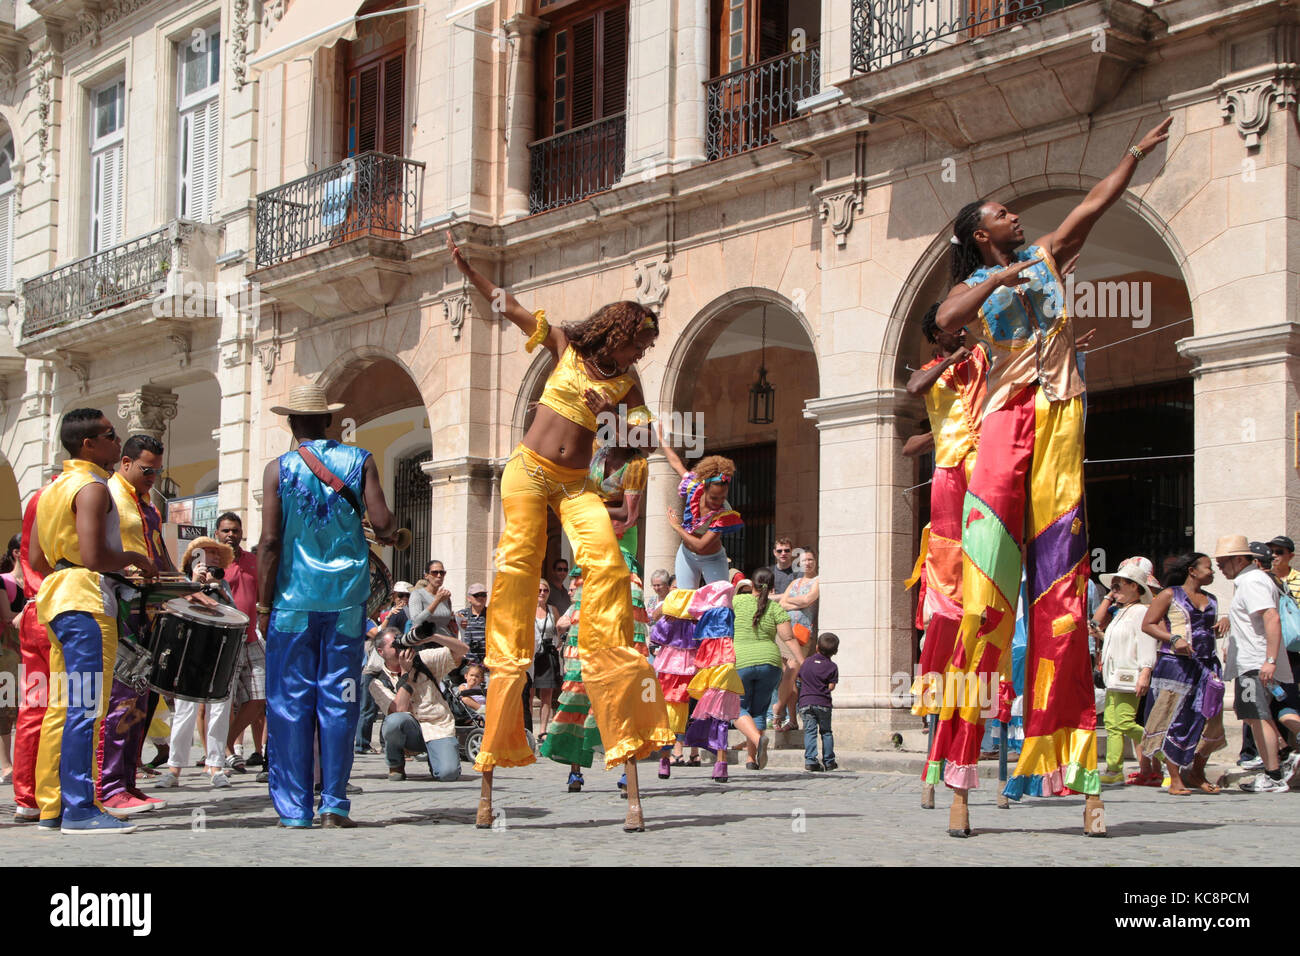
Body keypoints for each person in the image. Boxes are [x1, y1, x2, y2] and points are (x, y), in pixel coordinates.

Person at [929, 116, 1172, 838]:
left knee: (1062, 604)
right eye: (1000, 212)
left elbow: (1091, 206)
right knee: (982, 606)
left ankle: (1081, 776)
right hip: (1005, 424)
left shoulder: (1045, 254)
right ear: (981, 233)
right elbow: (946, 318)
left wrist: (1132, 154)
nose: (1014, 213)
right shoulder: (981, 279)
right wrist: (999, 277)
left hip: (1060, 420)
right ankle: (963, 775)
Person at [449, 231, 672, 833]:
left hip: (576, 487)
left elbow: (644, 437)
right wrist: (469, 270)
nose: (641, 356)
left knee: (607, 563)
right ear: (620, 332)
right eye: (640, 344)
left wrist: (631, 447)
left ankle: (606, 658)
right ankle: (497, 739)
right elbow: (509, 304)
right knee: (518, 573)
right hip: (527, 473)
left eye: (646, 350)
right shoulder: (567, 345)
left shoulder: (627, 385)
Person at [257, 383, 397, 829]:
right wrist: (390, 532)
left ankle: (295, 810)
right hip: (346, 602)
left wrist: (263, 605)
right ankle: (334, 805)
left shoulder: (278, 469)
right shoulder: (360, 460)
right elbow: (382, 523)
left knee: (289, 702)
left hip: (293, 602)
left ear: (291, 423)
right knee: (341, 698)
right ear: (329, 422)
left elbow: (270, 541)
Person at [30, 409, 156, 834]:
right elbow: (93, 556)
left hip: (58, 598)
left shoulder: (51, 489)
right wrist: (134, 558)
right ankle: (81, 808)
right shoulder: (93, 486)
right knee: (86, 706)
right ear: (88, 444)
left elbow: (34, 559)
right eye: (109, 434)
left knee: (62, 708)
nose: (116, 440)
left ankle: (53, 805)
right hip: (85, 599)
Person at [98, 434, 175, 814]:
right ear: (125, 462)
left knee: (141, 697)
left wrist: (186, 587)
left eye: (158, 471)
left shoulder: (149, 506)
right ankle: (109, 785)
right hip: (119, 606)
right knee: (121, 697)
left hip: (147, 610)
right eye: (148, 470)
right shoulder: (106, 495)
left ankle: (128, 779)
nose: (153, 478)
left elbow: (159, 554)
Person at [155, 537, 240, 791]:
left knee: (219, 710)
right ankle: (174, 767)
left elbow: (233, 614)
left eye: (216, 554)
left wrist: (220, 591)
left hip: (218, 650)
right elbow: (175, 609)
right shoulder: (183, 581)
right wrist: (194, 583)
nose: (212, 557)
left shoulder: (223, 583)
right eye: (207, 553)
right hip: (189, 651)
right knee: (184, 710)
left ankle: (215, 764)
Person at [1141, 553, 1229, 795]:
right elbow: (1148, 624)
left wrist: (1223, 624)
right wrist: (1174, 638)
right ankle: (1175, 777)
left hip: (1207, 666)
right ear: (1192, 570)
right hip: (1176, 666)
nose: (1213, 572)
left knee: (1211, 720)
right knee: (1175, 720)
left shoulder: (1211, 599)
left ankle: (1197, 771)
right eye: (1208, 568)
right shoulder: (1170, 595)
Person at [1213, 535, 1293, 793]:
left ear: (1239, 560)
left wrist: (1269, 660)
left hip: (1255, 662)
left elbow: (1271, 617)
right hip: (1252, 660)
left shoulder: (1252, 581)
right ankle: (1283, 756)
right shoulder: (1248, 580)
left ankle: (1273, 773)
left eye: (1223, 562)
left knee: (1256, 716)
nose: (1220, 568)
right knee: (1253, 714)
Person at [368, 626, 468, 782]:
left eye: (400, 643)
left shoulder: (423, 659)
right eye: (393, 646)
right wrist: (406, 673)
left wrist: (433, 637)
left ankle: (438, 757)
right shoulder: (378, 683)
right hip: (409, 732)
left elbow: (462, 650)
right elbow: (399, 709)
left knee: (448, 774)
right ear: (381, 652)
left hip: (437, 726)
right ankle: (396, 763)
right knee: (394, 721)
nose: (400, 649)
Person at [12, 475, 57, 822]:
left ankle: (26, 795)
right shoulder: (66, 494)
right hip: (56, 608)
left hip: (33, 607)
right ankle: (51, 793)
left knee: (34, 707)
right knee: (70, 706)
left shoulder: (40, 496)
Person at [732, 567, 804, 771]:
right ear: (772, 588)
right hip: (770, 664)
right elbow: (789, 638)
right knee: (759, 711)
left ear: (751, 585)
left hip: (742, 662)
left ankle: (755, 739)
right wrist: (802, 662)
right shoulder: (775, 608)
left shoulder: (738, 602)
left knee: (735, 708)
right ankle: (751, 759)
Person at [1095, 563, 1158, 786]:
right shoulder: (1122, 612)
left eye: (1118, 585)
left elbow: (1147, 643)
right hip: (1114, 676)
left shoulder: (1141, 611)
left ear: (1134, 586)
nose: (1114, 590)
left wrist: (1145, 672)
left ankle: (1167, 755)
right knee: (1112, 724)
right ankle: (1113, 769)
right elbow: (1119, 643)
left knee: (1124, 722)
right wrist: (1101, 635)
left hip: (1129, 675)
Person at [212, 513, 266, 774]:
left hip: (251, 638)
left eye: (235, 530)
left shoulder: (253, 561)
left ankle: (226, 741)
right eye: (226, 530)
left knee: (260, 696)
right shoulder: (213, 562)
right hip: (224, 640)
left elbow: (262, 596)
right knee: (224, 700)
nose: (231, 535)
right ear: (217, 533)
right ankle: (222, 751)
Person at [659, 436, 743, 589]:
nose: (718, 502)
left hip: (713, 558)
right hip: (686, 555)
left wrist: (677, 527)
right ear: (704, 489)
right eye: (714, 497)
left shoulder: (724, 513)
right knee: (685, 601)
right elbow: (676, 463)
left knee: (718, 603)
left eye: (723, 497)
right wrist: (660, 439)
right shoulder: (693, 488)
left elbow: (701, 546)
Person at [775, 548, 821, 732]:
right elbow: (782, 603)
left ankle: (778, 709)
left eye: (810, 559)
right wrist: (798, 601)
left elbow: (809, 600)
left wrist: (795, 601)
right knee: (788, 677)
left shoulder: (819, 580)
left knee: (792, 671)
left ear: (815, 561)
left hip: (803, 634)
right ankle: (792, 719)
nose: (807, 563)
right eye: (804, 560)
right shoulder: (794, 582)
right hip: (785, 632)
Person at [799, 632, 840, 772]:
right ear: (835, 651)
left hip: (805, 702)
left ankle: (810, 760)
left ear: (816, 647)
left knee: (810, 731)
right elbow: (831, 686)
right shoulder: (832, 667)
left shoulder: (806, 662)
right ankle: (829, 761)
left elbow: (800, 678)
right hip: (823, 703)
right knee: (826, 732)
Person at [532, 579, 562, 743]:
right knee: (529, 693)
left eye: (545, 590)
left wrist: (559, 646)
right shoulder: (528, 609)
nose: (542, 593)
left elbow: (559, 630)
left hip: (548, 652)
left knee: (546, 695)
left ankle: (543, 729)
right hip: (532, 654)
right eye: (539, 590)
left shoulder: (553, 610)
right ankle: (527, 728)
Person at [408, 561, 458, 641]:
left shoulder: (445, 597)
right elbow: (417, 621)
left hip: (445, 643)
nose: (439, 576)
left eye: (442, 573)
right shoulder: (417, 594)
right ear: (426, 575)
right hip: (425, 643)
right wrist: (437, 601)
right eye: (435, 572)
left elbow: (446, 623)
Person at [456, 583, 489, 660]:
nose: (481, 598)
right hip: (467, 662)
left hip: (487, 662)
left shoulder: (492, 615)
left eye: (483, 595)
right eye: (477, 595)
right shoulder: (461, 615)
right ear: (469, 598)